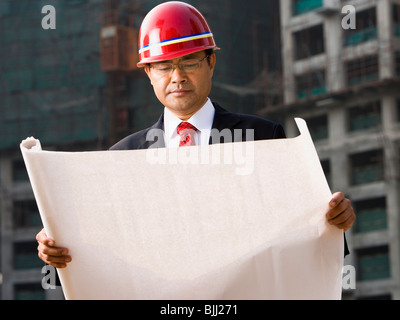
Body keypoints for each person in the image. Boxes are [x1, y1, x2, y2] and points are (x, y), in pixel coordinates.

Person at [36, 1, 355, 269]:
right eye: (163, 67)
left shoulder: (263, 138)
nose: (177, 77)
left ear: (211, 62)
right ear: (148, 73)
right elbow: (101, 244)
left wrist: (333, 222)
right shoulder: (122, 157)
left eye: (189, 61)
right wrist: (58, 245)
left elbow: (305, 231)